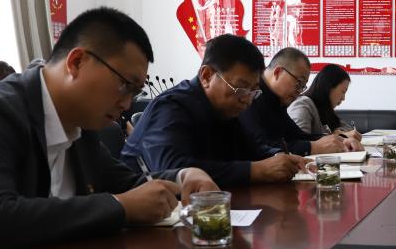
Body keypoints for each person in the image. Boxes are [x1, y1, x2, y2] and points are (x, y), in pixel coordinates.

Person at [0, 7, 218, 249]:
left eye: (135, 92)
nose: (127, 103)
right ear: (76, 62)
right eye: (124, 85)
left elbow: (128, 185)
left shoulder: (81, 124)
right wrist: (120, 207)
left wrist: (183, 177)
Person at [122, 34, 310, 187]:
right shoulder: (172, 107)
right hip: (146, 213)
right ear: (206, 76)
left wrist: (279, 157)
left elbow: (252, 149)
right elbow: (172, 170)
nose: (247, 99)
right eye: (241, 88)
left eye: (254, 91)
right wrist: (256, 171)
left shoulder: (226, 110)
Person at [239, 48, 360, 155]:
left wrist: (340, 140)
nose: (300, 91)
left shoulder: (276, 100)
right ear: (278, 72)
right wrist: (312, 147)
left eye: (303, 86)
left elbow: (297, 136)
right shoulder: (253, 94)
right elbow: (262, 147)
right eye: (299, 83)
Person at [288, 63, 361, 140]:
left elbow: (349, 130)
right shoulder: (302, 104)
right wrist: (340, 135)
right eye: (343, 91)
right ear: (329, 86)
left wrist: (339, 133)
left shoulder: (326, 110)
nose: (343, 98)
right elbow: (298, 141)